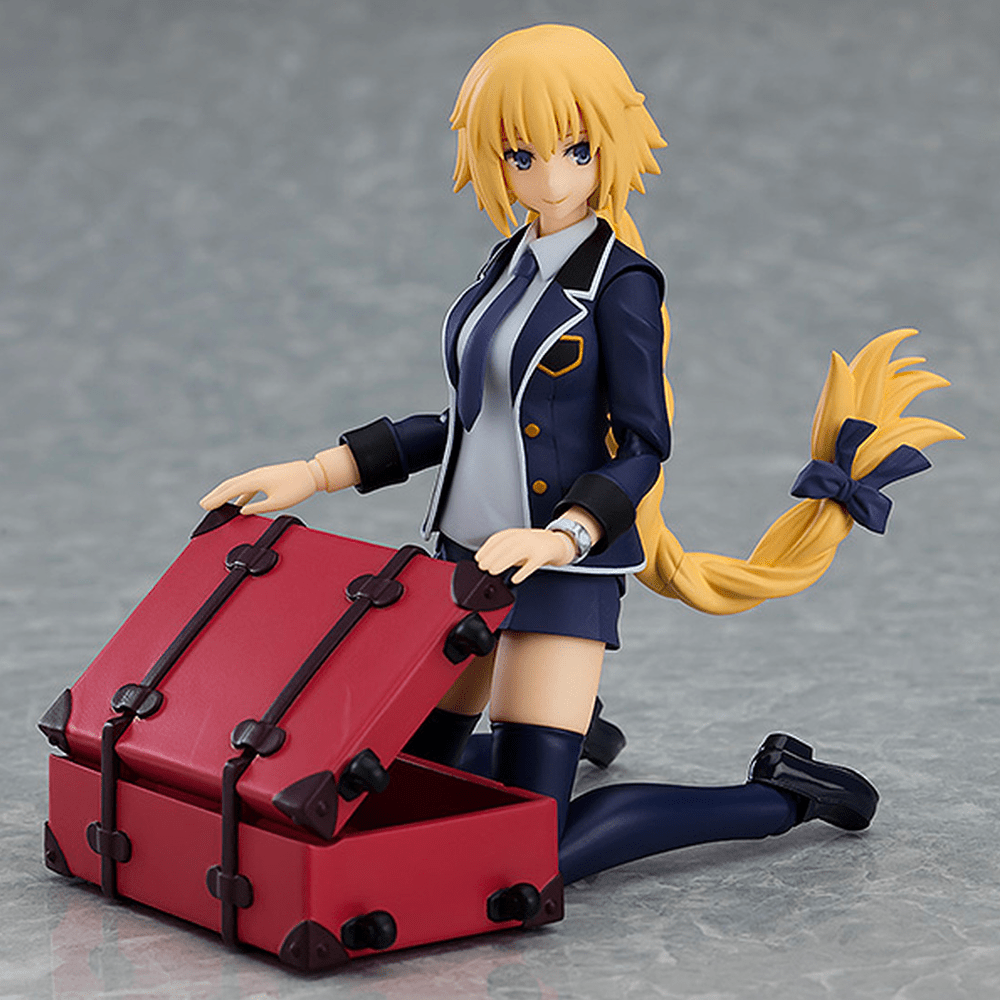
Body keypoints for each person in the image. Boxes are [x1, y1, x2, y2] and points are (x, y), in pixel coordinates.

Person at [200, 25, 960, 883]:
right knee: (395, 790)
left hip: (561, 571)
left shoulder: (622, 282)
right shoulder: (506, 264)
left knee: (532, 855)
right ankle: (567, 729)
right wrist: (318, 470)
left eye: (576, 150)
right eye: (522, 155)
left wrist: (562, 536)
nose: (552, 178)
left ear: (610, 146)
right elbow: (467, 424)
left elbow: (643, 447)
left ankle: (781, 794)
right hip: (464, 567)